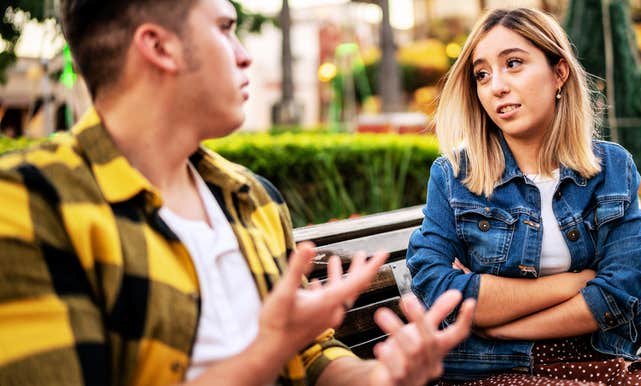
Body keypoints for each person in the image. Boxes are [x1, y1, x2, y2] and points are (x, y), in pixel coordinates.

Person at [0, 1, 475, 385]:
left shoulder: (249, 195)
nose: (244, 53)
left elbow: (308, 354)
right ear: (159, 46)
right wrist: (269, 346)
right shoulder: (30, 201)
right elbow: (281, 345)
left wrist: (377, 377)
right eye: (225, 27)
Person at [406, 8, 641, 385]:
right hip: (493, 368)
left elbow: (623, 287)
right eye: (482, 74)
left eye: (513, 64)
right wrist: (572, 283)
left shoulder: (612, 167)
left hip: (594, 355)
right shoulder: (454, 177)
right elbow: (437, 289)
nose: (495, 85)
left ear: (559, 72)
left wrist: (502, 327)